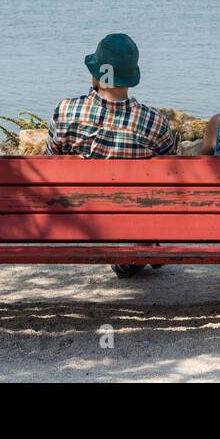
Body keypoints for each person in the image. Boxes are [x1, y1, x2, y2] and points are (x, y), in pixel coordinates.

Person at [46, 33, 176, 277]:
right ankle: (142, 243)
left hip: (79, 216)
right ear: (130, 76)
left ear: (98, 74)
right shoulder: (154, 122)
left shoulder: (64, 111)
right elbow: (170, 174)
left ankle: (137, 246)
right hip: (132, 214)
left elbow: (51, 161)